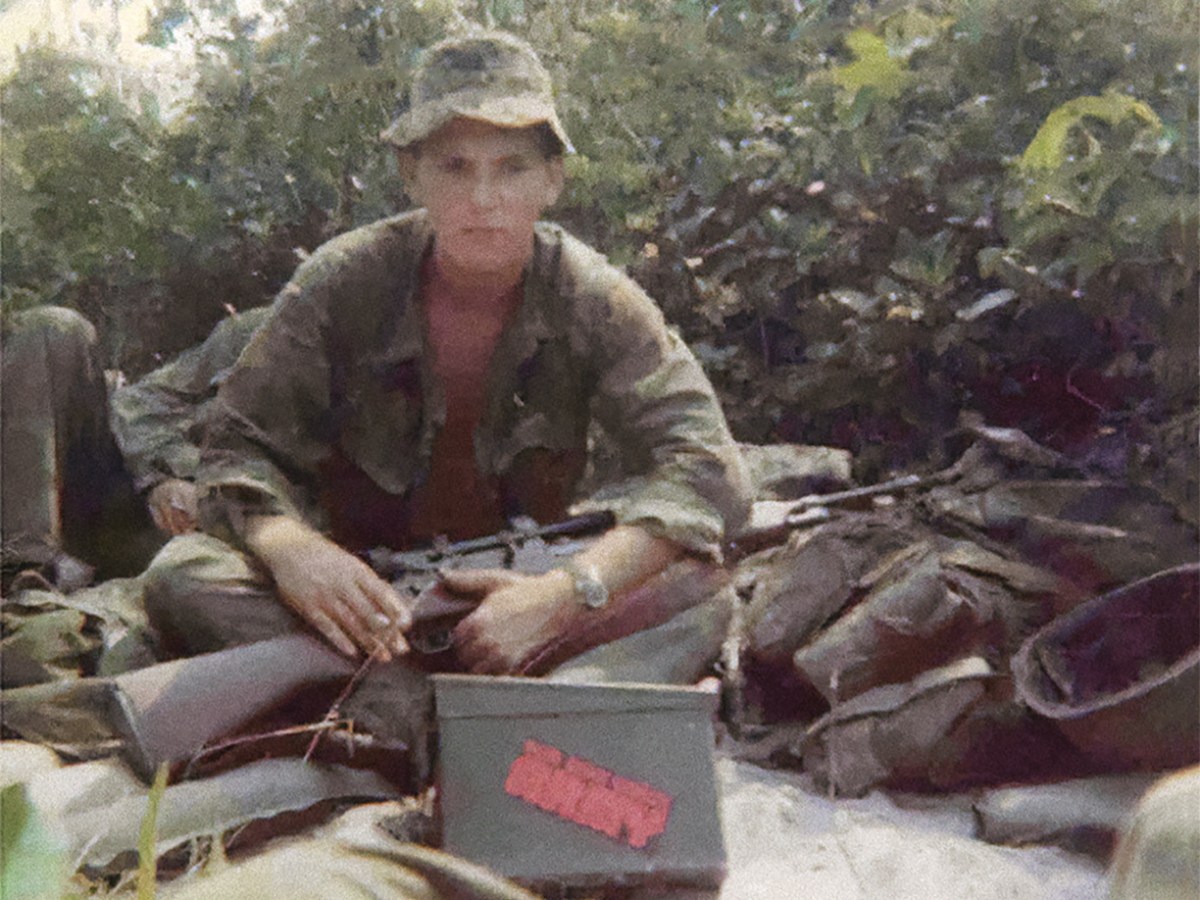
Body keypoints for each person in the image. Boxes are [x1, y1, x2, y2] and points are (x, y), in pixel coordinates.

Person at [141, 31, 750, 705]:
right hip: (359, 592)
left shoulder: (592, 296)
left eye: (511, 167)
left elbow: (707, 466)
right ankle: (428, 706)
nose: (482, 199)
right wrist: (295, 553)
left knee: (699, 585)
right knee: (182, 572)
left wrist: (565, 594)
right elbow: (235, 448)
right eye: (455, 167)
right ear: (412, 176)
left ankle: (392, 702)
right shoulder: (345, 281)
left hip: (520, 590)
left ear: (553, 179)